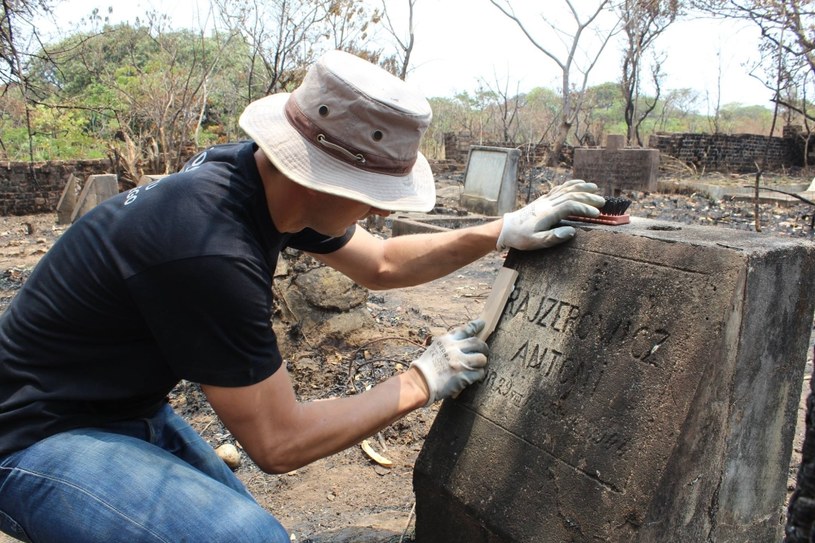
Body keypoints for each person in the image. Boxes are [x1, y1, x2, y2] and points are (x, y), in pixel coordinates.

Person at [0, 49, 604, 542]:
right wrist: (420, 381)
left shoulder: (260, 180)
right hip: (34, 435)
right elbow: (279, 443)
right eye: (372, 193)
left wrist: (500, 229)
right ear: (319, 177)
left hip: (121, 407)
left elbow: (384, 263)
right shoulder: (209, 249)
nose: (376, 209)